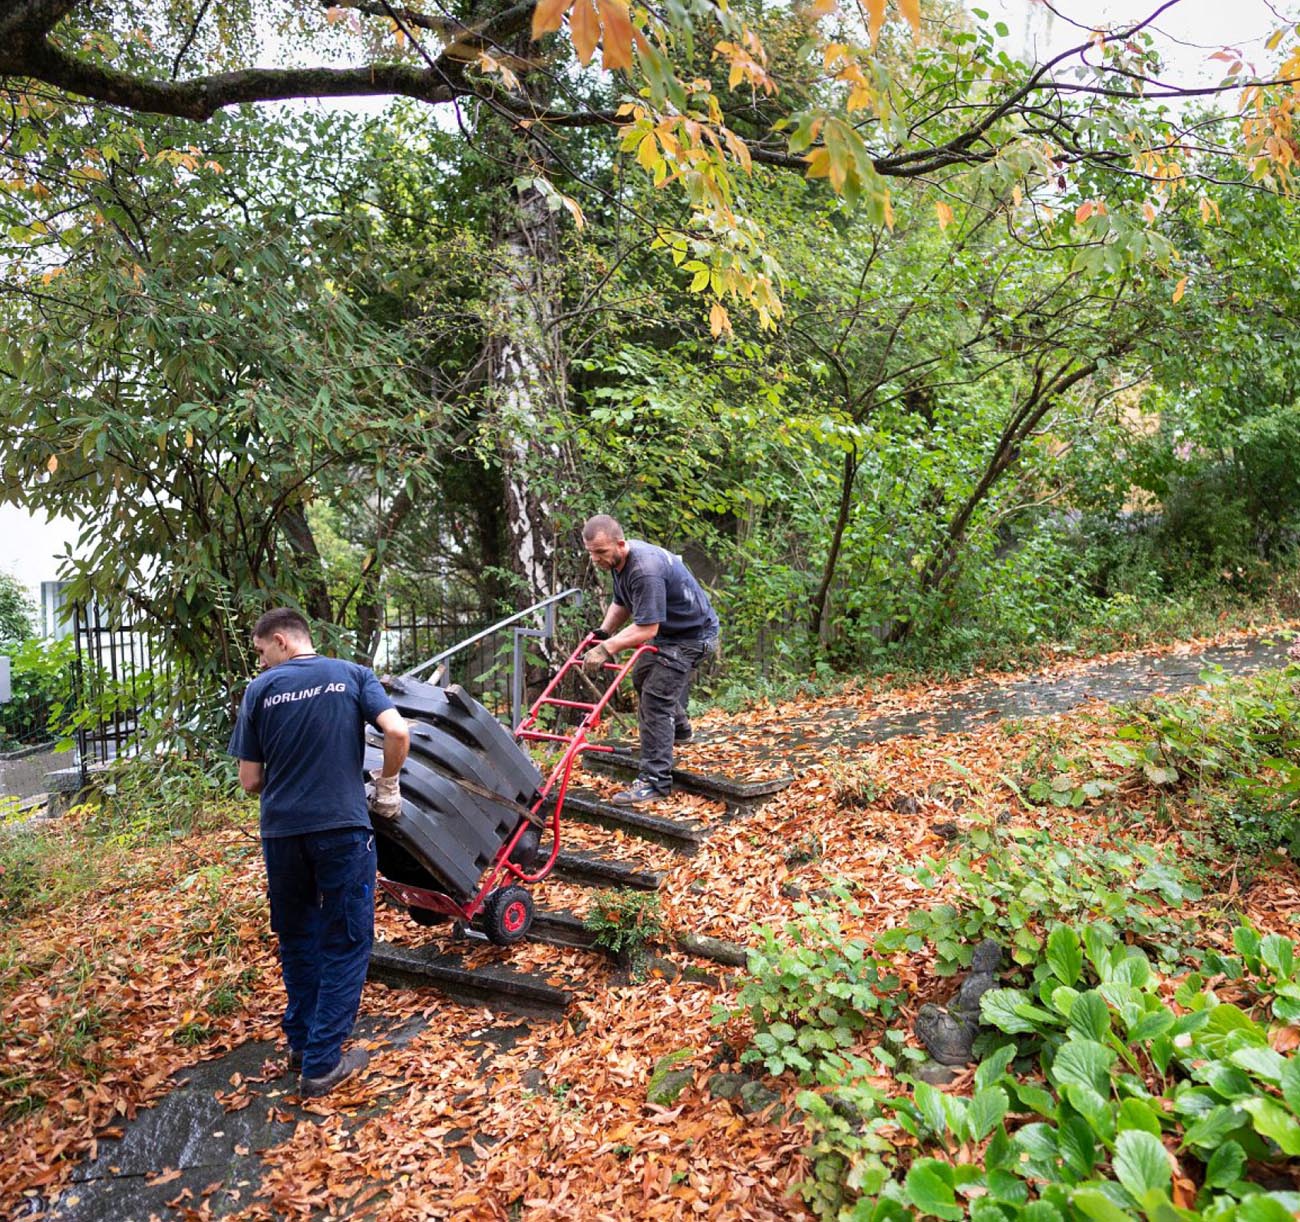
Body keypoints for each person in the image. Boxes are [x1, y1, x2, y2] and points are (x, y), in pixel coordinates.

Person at [228, 608, 409, 1099]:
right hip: (342, 830)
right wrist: (387, 786)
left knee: (297, 936)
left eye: (262, 652)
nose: (262, 662)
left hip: (283, 836)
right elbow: (397, 732)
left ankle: (304, 1045)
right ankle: (324, 1062)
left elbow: (250, 781)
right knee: (347, 940)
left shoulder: (259, 692)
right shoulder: (352, 675)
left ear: (282, 641)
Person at [580, 515, 719, 805]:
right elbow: (622, 602)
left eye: (601, 552)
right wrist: (603, 632)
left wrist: (606, 649)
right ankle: (680, 729)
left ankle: (655, 781)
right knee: (642, 677)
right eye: (591, 552)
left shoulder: (644, 569)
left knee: (656, 697)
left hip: (693, 637)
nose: (595, 559)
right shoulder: (620, 562)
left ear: (620, 543)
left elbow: (647, 629)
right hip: (672, 633)